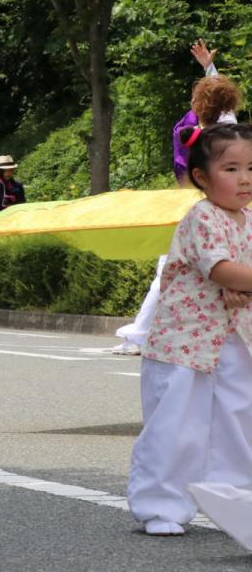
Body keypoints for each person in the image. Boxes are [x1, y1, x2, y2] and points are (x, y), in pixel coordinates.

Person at [127, 122, 252, 536]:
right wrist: (235, 281)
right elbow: (220, 268)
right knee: (177, 422)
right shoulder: (203, 216)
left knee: (236, 418)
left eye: (251, 168)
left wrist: (240, 285)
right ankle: (161, 505)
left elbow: (240, 276)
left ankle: (233, 499)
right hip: (186, 339)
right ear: (201, 176)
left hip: (234, 338)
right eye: (231, 169)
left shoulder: (248, 218)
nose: (245, 179)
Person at [113, 41, 242, 355]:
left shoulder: (188, 132)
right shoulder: (231, 134)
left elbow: (216, 107)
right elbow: (224, 107)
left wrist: (208, 72)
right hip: (230, 209)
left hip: (191, 206)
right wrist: (209, 70)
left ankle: (140, 335)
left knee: (168, 270)